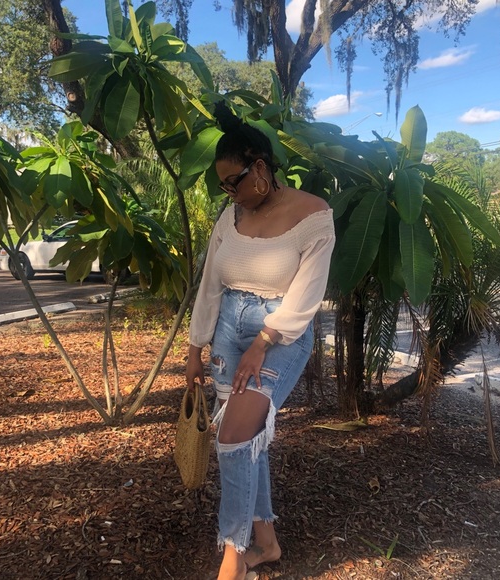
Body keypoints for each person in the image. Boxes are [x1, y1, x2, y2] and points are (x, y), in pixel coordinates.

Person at [185, 101, 335, 580]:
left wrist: (262, 341)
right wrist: (194, 348)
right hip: (228, 331)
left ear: (262, 168)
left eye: (236, 182)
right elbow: (211, 285)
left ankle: (232, 559)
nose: (231, 193)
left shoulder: (314, 215)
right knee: (246, 441)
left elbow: (307, 295)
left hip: (281, 332)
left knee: (233, 436)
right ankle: (266, 544)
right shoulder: (230, 218)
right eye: (224, 186)